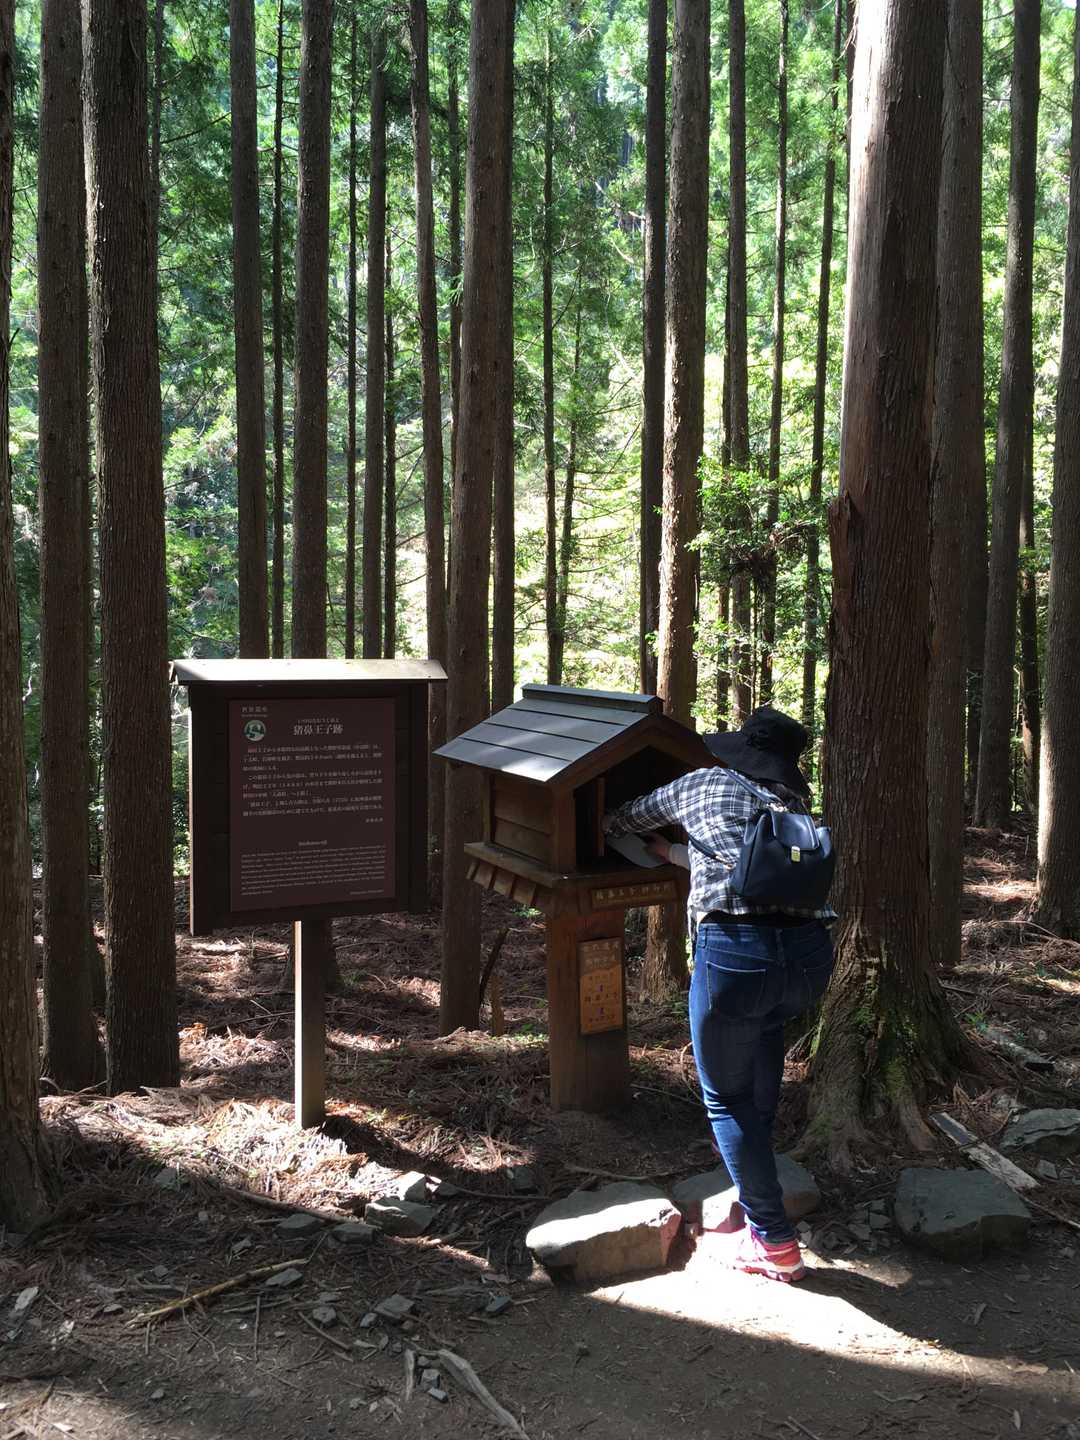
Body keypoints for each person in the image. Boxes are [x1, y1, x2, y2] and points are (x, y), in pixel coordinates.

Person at [602, 706, 835, 1283]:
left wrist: (633, 835)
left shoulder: (703, 783)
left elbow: (622, 818)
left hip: (737, 954)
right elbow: (745, 862)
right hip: (806, 958)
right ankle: (753, 1179)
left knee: (726, 1098)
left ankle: (774, 1243)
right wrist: (673, 855)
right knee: (763, 1053)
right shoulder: (791, 803)